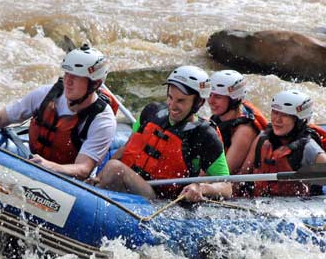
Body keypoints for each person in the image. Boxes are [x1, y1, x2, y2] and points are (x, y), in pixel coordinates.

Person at [0, 45, 117, 179]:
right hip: (34, 161)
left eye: (76, 77)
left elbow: (83, 169)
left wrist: (50, 166)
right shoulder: (46, 94)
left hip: (68, 183)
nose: (68, 81)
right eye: (67, 73)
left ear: (94, 84)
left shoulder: (102, 120)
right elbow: (0, 118)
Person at [96, 66, 231, 202]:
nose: (172, 105)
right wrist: (99, 177)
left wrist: (201, 188)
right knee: (112, 164)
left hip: (159, 200)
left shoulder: (204, 135)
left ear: (199, 102)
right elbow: (126, 148)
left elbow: (226, 187)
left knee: (115, 168)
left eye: (180, 101)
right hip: (130, 182)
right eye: (170, 97)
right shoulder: (151, 111)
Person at [237, 89, 326, 214]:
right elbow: (242, 175)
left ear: (299, 120)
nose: (277, 119)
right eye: (275, 112)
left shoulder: (308, 148)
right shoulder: (262, 139)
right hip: (259, 205)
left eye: (285, 115)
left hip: (295, 210)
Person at [207, 70, 268, 173]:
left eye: (218, 97)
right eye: (210, 95)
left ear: (234, 100)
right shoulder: (220, 116)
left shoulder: (244, 131)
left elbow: (224, 173)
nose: (210, 101)